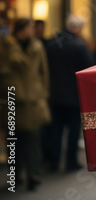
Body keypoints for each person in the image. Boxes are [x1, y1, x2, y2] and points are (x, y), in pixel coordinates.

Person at [3, 18, 51, 190]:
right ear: (21, 29)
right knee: (14, 139)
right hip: (12, 100)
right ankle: (15, 175)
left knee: (33, 139)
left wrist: (43, 93)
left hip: (33, 100)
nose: (33, 30)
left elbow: (43, 71)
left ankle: (33, 174)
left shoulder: (37, 46)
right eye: (30, 27)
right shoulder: (6, 46)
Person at [45, 15, 95, 172]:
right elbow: (90, 68)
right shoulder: (79, 46)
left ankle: (53, 162)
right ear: (77, 28)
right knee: (73, 131)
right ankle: (70, 162)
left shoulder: (51, 45)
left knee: (56, 130)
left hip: (54, 96)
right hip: (74, 96)